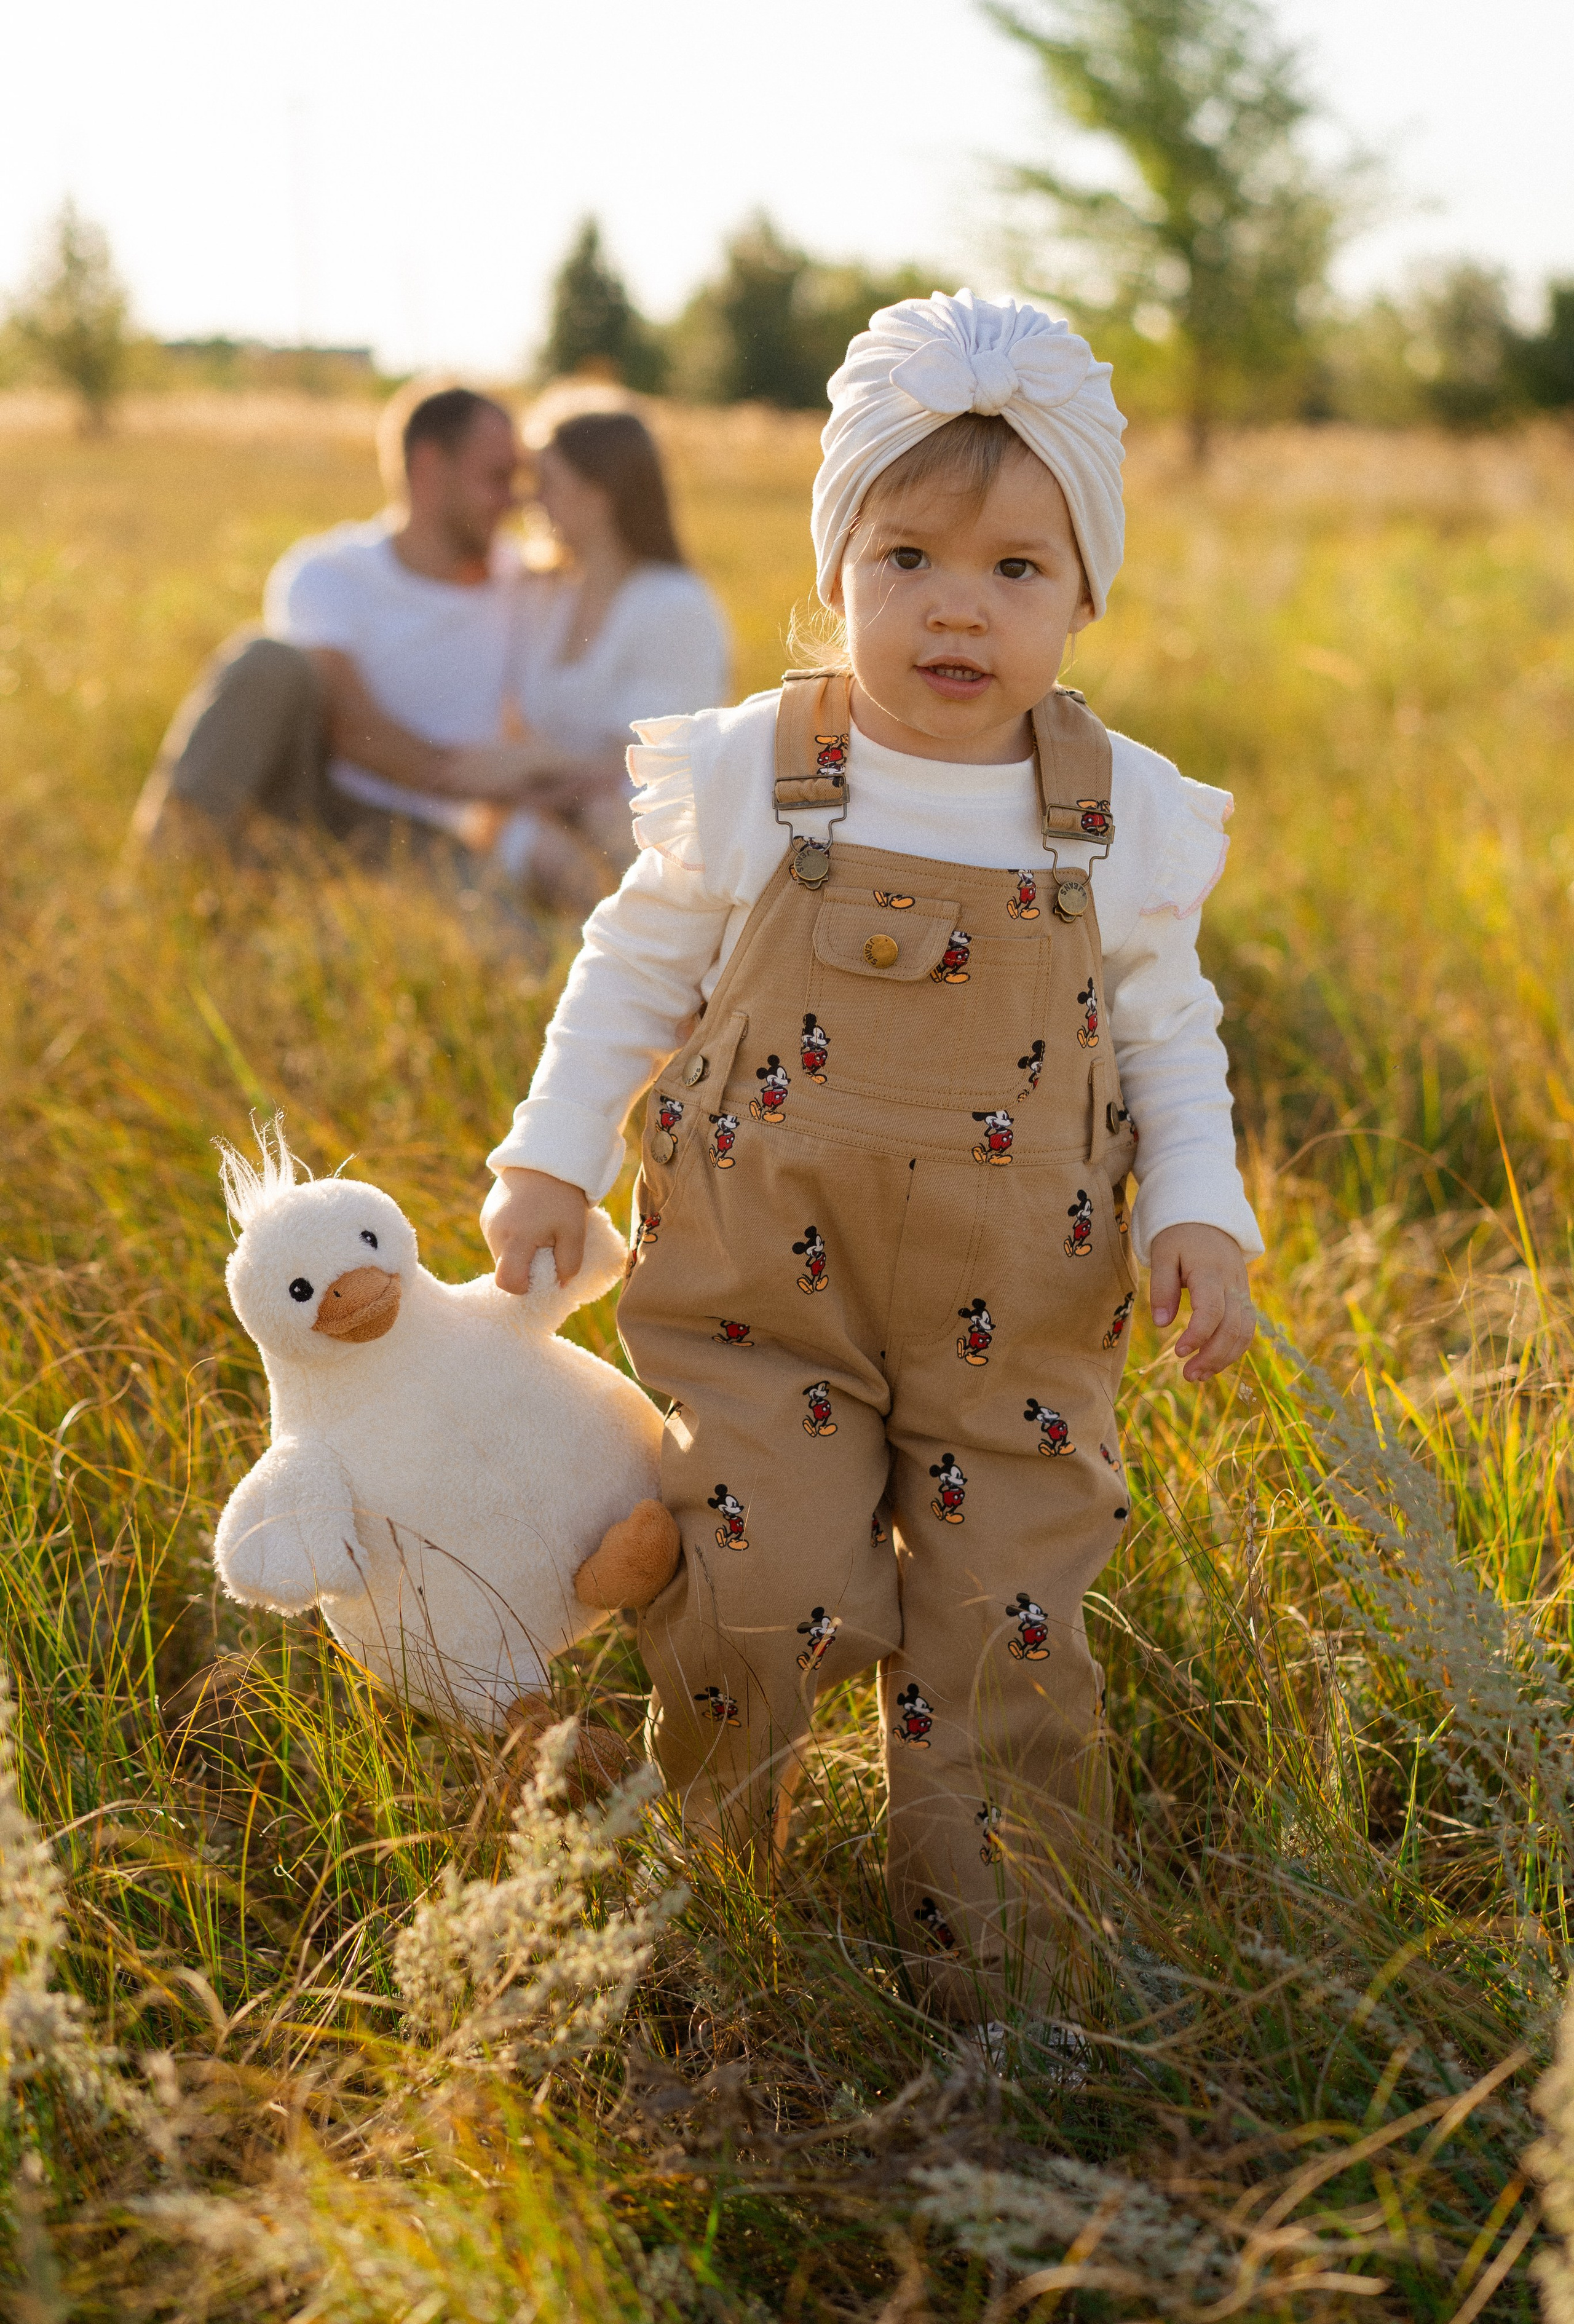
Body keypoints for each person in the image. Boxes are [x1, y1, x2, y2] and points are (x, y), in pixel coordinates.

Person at [478, 292, 1262, 2049]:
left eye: (1014, 568)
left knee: (1012, 1624)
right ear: (838, 569)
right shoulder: (767, 774)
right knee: (761, 1579)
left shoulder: (1114, 809)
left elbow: (1169, 1034)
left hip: (1025, 1321)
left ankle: (1012, 1989)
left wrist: (1202, 1208)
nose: (955, 606)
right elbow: (630, 966)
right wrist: (548, 1157)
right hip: (767, 1293)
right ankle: (707, 1910)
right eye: (904, 555)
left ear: (1083, 595)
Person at [131, 384, 617, 905]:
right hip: (320, 802)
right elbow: (353, 730)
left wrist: (563, 782)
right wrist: (497, 779)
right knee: (267, 661)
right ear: (430, 470)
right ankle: (162, 880)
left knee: (505, 938)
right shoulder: (331, 572)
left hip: (438, 830)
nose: (515, 501)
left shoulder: (527, 584)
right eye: (496, 479)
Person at [492, 405, 729, 889]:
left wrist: (532, 765)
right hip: (554, 810)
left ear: (599, 495)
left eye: (546, 481)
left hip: (642, 824)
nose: (530, 498)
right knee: (518, 839)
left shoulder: (675, 605)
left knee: (607, 819)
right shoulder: (546, 595)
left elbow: (657, 764)